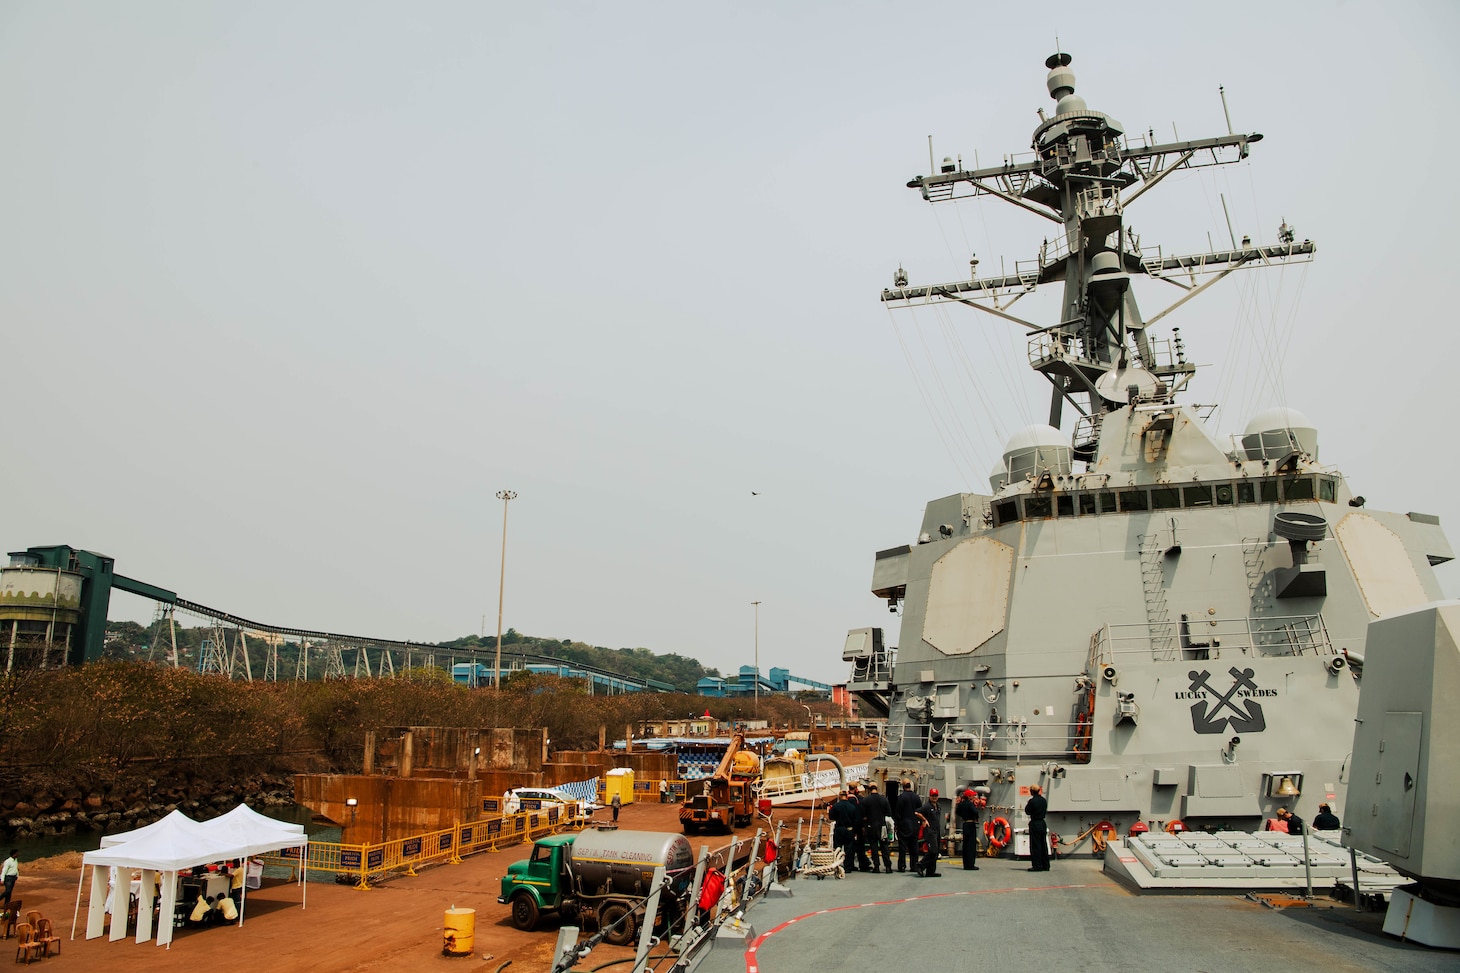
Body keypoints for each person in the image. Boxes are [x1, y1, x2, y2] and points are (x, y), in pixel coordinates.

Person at [861, 782, 893, 874]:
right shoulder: (883, 799)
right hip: (882, 826)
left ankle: (876, 866)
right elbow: (889, 813)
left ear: (869, 789)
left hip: (871, 826)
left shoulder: (866, 800)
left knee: (874, 846)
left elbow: (863, 815)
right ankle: (888, 866)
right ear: (877, 788)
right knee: (884, 846)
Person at [914, 788, 942, 877]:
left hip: (937, 831)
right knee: (933, 851)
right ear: (929, 796)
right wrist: (924, 820)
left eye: (936, 796)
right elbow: (916, 812)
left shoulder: (938, 806)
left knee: (936, 852)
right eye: (933, 796)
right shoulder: (927, 806)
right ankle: (920, 865)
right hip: (930, 831)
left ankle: (931, 871)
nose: (934, 797)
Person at [894, 779, 921, 873]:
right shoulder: (916, 797)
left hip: (904, 825)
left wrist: (896, 824)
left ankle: (902, 866)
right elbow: (920, 811)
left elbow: (898, 813)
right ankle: (914, 865)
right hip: (914, 824)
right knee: (914, 846)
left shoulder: (901, 798)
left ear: (903, 787)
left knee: (902, 847)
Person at [828, 790, 858, 870]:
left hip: (839, 828)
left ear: (839, 796)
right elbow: (855, 820)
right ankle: (848, 866)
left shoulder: (836, 806)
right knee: (849, 848)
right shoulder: (852, 807)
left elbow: (831, 817)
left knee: (837, 848)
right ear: (847, 796)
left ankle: (836, 865)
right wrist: (855, 831)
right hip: (849, 829)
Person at [847, 782, 872, 873]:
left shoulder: (846, 798)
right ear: (856, 788)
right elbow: (860, 814)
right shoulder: (858, 799)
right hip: (857, 826)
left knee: (850, 847)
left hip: (847, 826)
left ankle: (850, 864)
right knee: (860, 846)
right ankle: (863, 864)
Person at [956, 788, 981, 870]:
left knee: (965, 845)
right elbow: (975, 812)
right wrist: (976, 817)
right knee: (971, 845)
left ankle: (966, 864)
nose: (974, 797)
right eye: (973, 795)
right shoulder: (970, 804)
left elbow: (957, 811)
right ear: (969, 796)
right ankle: (970, 865)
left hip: (965, 824)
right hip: (971, 824)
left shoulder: (962, 804)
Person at [1026, 784, 1050, 872]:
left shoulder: (1032, 801)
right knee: (1043, 844)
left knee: (1035, 845)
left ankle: (1037, 866)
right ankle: (1045, 865)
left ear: (1032, 791)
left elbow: (1027, 811)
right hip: (1042, 823)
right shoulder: (1043, 800)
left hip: (1035, 823)